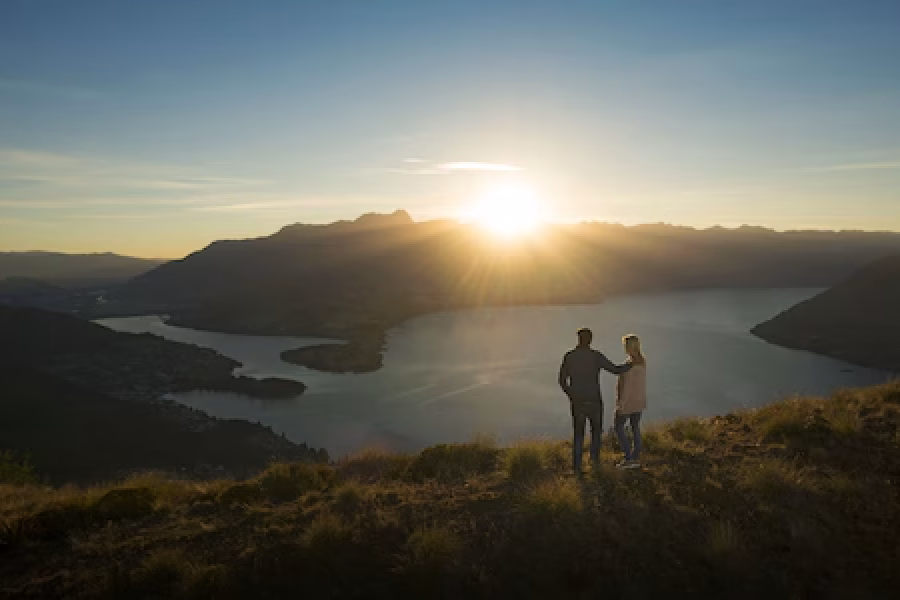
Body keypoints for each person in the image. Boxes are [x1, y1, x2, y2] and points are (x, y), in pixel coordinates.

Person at [558, 328, 633, 478]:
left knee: (579, 434)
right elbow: (616, 369)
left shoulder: (569, 356)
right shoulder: (595, 356)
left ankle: (577, 468)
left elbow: (562, 380)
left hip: (578, 402)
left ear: (578, 339)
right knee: (596, 433)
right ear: (590, 340)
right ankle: (594, 464)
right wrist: (631, 364)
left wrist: (571, 394)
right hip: (594, 401)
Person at [614, 334, 647, 469]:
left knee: (619, 427)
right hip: (639, 402)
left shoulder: (628, 365)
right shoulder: (643, 362)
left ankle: (628, 458)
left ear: (629, 347)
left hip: (627, 403)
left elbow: (626, 388)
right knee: (635, 427)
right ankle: (635, 456)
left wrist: (620, 404)